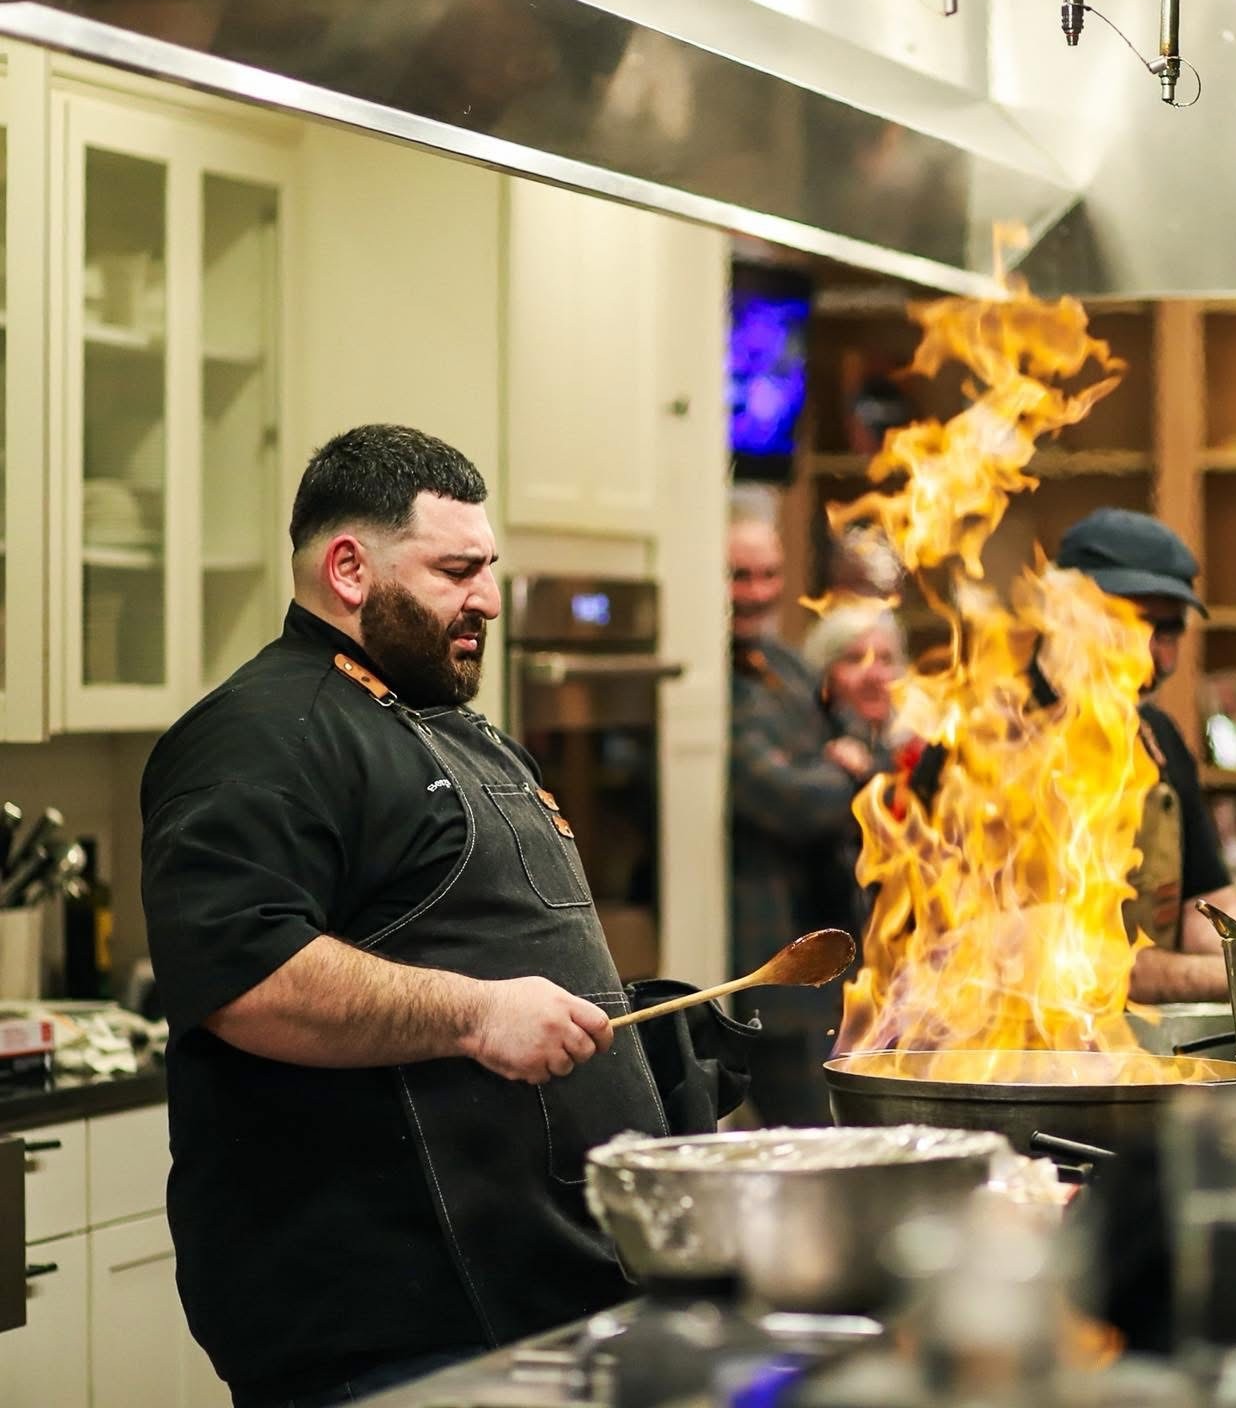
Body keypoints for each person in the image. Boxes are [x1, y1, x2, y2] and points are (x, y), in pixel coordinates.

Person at [141, 425, 676, 1408]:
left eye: (488, 569)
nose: (488, 600)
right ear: (349, 569)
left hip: (536, 1293)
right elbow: (244, 978)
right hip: (391, 1322)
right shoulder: (262, 734)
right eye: (456, 572)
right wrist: (476, 1015)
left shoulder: (452, 726)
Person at [1054, 508, 1236, 1001]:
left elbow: (1205, 907)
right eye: (1134, 628)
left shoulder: (1157, 737)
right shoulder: (994, 747)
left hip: (1136, 1036)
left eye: (1170, 633)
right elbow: (1065, 961)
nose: (1159, 659)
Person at [728, 496, 873, 1126]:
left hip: (827, 956)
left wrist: (843, 763)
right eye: (739, 576)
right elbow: (785, 799)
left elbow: (865, 738)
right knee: (814, 1139)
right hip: (762, 962)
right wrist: (842, 772)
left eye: (769, 575)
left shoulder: (788, 665)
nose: (756, 593)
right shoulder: (708, 682)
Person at [803, 602, 909, 753]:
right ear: (824, 673)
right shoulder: (799, 752)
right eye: (855, 659)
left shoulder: (920, 750)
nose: (874, 675)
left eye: (885, 660)